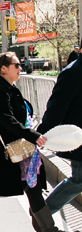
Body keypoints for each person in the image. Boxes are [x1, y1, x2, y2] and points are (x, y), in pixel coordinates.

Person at [0, 52, 79, 232]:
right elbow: (8, 120)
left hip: (17, 149)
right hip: (0, 152)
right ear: (4, 68)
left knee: (33, 187)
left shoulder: (10, 88)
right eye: (17, 65)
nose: (21, 68)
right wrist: (34, 136)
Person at [38, 47, 82, 215]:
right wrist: (41, 133)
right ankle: (43, 214)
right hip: (78, 137)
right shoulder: (73, 72)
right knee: (79, 181)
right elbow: (56, 107)